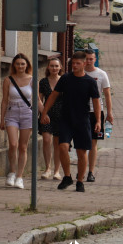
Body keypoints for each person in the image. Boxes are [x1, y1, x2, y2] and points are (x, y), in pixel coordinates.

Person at [41, 51, 101, 192]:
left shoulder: (90, 82)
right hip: (66, 119)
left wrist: (98, 121)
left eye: (77, 63)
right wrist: (44, 112)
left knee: (81, 153)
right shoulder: (66, 79)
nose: (74, 65)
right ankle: (67, 176)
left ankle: (80, 180)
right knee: (62, 147)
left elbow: (96, 102)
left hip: (82, 121)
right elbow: (53, 96)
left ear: (84, 63)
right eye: (73, 63)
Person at [0, 53, 38, 189]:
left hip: (27, 113)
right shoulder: (8, 80)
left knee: (23, 146)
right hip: (12, 113)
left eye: (23, 64)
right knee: (13, 144)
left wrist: (44, 113)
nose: (20, 66)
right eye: (18, 64)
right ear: (14, 65)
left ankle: (20, 177)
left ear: (27, 65)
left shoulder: (33, 79)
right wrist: (1, 119)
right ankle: (12, 172)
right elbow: (4, 101)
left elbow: (37, 100)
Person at [83, 50, 114, 183]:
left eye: (91, 59)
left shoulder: (101, 74)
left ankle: (91, 172)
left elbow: (107, 94)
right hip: (80, 112)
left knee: (93, 142)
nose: (89, 61)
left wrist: (109, 113)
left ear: (95, 59)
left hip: (95, 112)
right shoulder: (78, 72)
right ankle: (81, 170)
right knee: (81, 143)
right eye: (87, 59)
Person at [38, 55, 64, 180]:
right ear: (48, 67)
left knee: (57, 143)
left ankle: (57, 171)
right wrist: (43, 113)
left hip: (61, 115)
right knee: (47, 140)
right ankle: (47, 168)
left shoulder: (64, 81)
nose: (54, 68)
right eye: (52, 66)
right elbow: (38, 99)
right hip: (46, 115)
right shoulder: (43, 82)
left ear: (60, 68)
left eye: (56, 66)